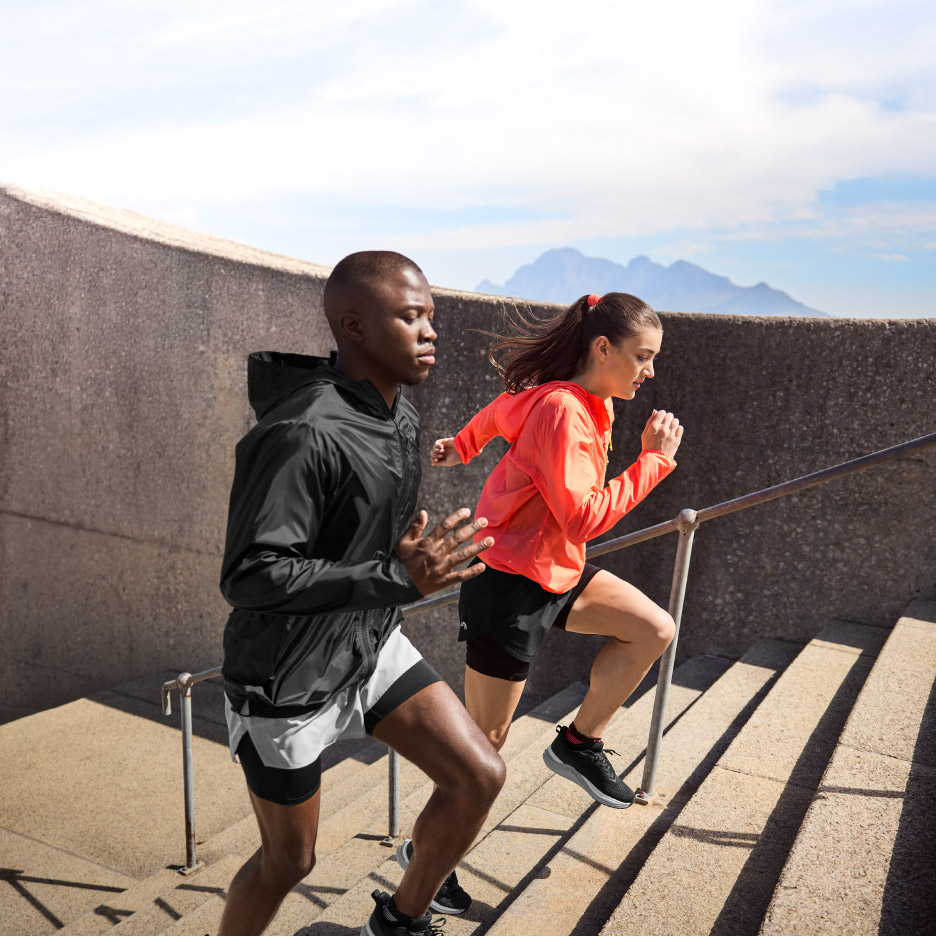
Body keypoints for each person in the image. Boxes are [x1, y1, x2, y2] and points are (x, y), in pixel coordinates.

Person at [216, 250, 505, 936]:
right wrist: (394, 578)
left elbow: (360, 535)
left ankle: (402, 920)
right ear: (354, 327)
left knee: (478, 776)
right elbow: (251, 573)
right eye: (411, 317)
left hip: (369, 642)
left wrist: (398, 559)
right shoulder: (300, 432)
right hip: (286, 679)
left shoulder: (401, 418)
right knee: (290, 862)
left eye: (431, 316)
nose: (431, 331)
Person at [431, 292, 682, 809]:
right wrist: (653, 462)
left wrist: (463, 446)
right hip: (507, 583)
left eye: (653, 358)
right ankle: (426, 852)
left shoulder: (590, 400)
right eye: (643, 356)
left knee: (653, 629)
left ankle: (578, 744)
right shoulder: (562, 410)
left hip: (556, 570)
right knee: (484, 749)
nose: (651, 371)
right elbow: (582, 518)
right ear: (604, 348)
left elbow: (501, 412)